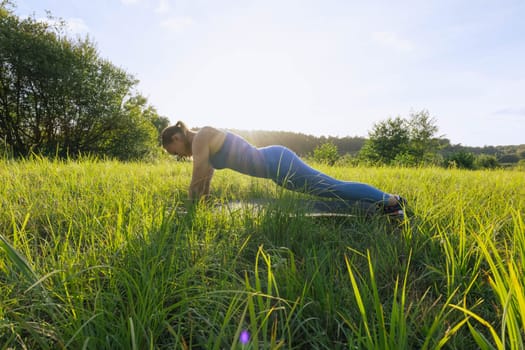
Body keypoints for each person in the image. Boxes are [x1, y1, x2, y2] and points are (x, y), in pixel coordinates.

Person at [161, 121, 406, 217]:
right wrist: (200, 208)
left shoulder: (202, 136)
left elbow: (197, 174)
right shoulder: (203, 148)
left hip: (278, 161)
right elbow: (204, 181)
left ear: (176, 137)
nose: (182, 156)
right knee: (328, 191)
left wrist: (189, 211)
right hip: (277, 173)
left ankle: (392, 200)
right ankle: (379, 207)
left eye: (176, 152)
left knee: (332, 186)